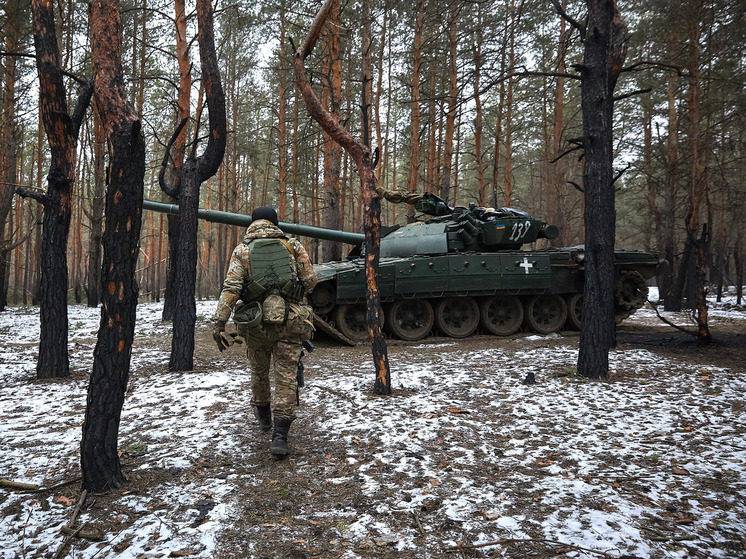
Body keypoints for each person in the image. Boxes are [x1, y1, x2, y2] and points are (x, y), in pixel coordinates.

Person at [212, 206, 317, 456]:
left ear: (251, 224)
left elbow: (231, 288)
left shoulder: (242, 250)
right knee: (286, 376)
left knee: (258, 371)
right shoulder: (293, 245)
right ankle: (280, 436)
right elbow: (311, 280)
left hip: (255, 323)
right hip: (289, 321)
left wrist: (219, 322)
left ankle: (264, 419)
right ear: (275, 222)